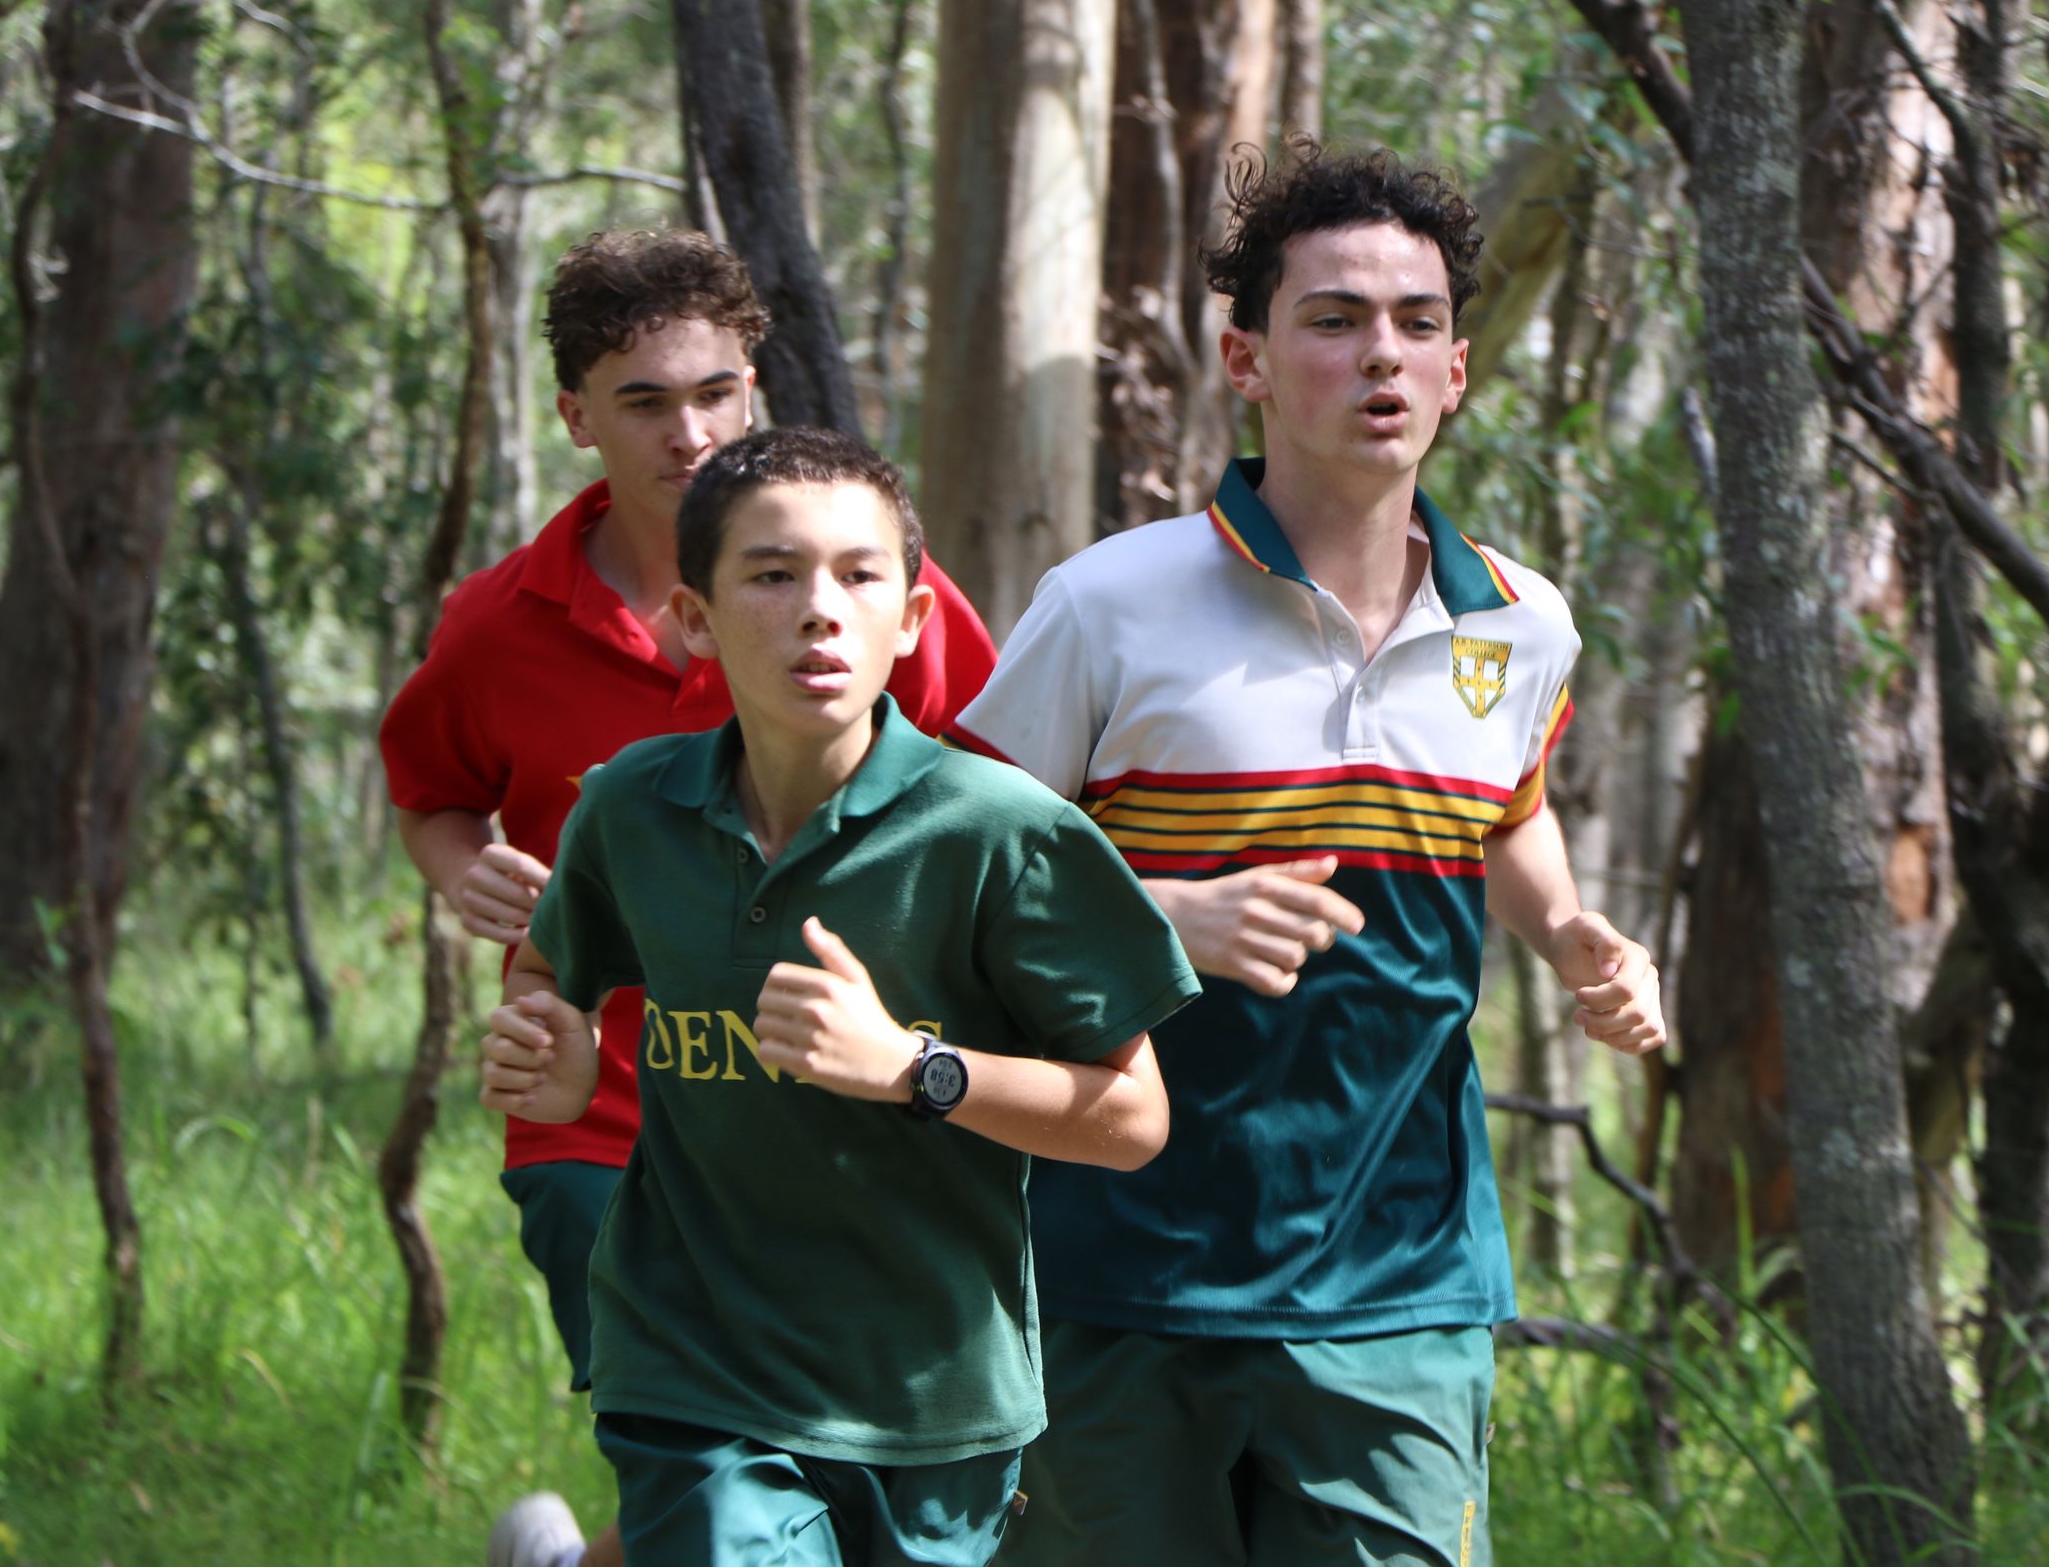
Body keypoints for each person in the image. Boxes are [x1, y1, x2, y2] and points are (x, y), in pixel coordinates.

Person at [947, 145, 1667, 1566]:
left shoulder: (1523, 623)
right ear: (1249, 361)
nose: (1379, 354)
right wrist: (1162, 916)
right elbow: (959, 868)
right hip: (1114, 1266)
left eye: (1415, 322)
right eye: (1333, 320)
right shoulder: (1110, 603)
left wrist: (1570, 926)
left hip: (1402, 1278)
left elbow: (1507, 812)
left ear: (1456, 371)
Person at [376, 230, 997, 1567]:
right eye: (645, 401)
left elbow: (996, 789)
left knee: (806, 1474)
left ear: (754, 386)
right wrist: (461, 866)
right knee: (707, 1454)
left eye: (716, 392)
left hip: (845, 1111)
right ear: (575, 415)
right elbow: (430, 791)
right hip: (599, 1125)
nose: (691, 432)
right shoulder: (496, 625)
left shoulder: (874, 590)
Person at [476, 426, 1198, 1567]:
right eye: (773, 574)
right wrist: (553, 1057)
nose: (820, 610)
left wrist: (915, 1068)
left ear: (911, 618)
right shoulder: (629, 811)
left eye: (859, 576)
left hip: (937, 1392)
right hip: (697, 1360)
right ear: (696, 617)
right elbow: (547, 978)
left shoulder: (1001, 832)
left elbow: (1133, 1116)